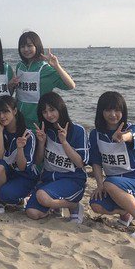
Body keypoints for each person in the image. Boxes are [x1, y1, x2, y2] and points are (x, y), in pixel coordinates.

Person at [89, 92, 135, 240]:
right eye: (108, 110)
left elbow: (133, 135)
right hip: (117, 187)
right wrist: (99, 185)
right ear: (101, 111)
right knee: (96, 204)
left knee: (110, 183)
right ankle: (126, 214)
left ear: (123, 111)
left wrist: (123, 137)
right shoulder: (95, 134)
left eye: (117, 110)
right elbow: (96, 162)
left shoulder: (134, 128)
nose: (113, 114)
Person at [25, 92, 88, 223]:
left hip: (72, 179)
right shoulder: (45, 131)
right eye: (45, 112)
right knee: (32, 212)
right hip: (49, 179)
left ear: (60, 108)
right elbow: (38, 161)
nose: (49, 115)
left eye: (52, 110)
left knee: (42, 195)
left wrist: (64, 142)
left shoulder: (77, 130)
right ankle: (55, 205)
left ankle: (74, 206)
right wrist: (41, 142)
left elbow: (80, 163)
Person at [10, 31, 75, 129]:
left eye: (29, 46)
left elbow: (71, 86)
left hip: (39, 121)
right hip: (20, 119)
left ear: (37, 46)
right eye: (22, 46)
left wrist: (57, 66)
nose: (26, 49)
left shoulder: (45, 69)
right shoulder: (20, 66)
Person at [0, 95, 38, 214]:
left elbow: (22, 167)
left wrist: (20, 148)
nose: (2, 116)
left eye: (6, 112)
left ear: (15, 111)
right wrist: (0, 131)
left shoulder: (27, 135)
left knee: (7, 194)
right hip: (6, 173)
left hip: (24, 176)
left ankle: (22, 197)